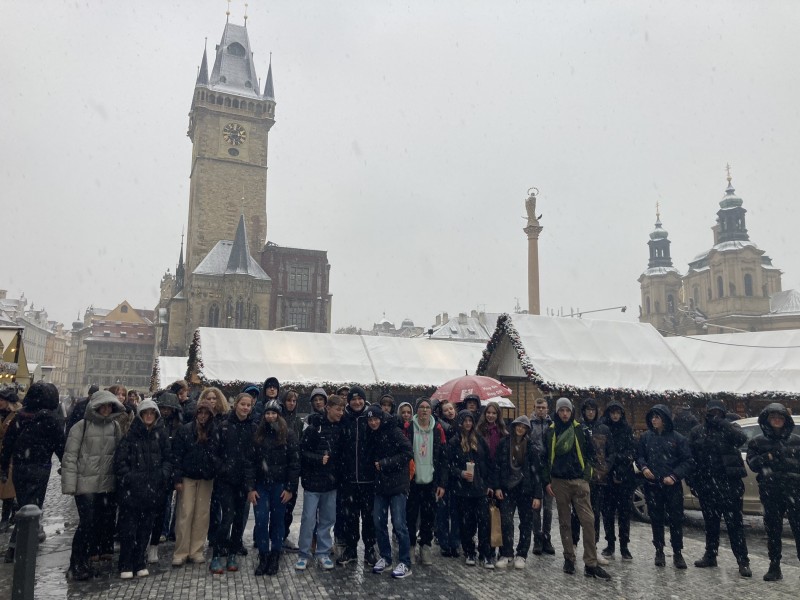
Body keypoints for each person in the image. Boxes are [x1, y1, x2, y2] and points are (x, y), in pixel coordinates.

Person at [542, 397, 610, 580]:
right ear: (557, 412)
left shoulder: (581, 430)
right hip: (559, 481)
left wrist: (586, 475)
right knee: (565, 522)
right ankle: (569, 558)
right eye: (561, 410)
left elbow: (591, 454)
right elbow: (546, 458)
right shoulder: (551, 431)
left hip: (579, 481)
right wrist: (547, 481)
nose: (565, 414)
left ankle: (591, 563)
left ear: (572, 412)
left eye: (567, 410)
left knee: (588, 521)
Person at [61, 389, 124, 580]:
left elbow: (119, 455)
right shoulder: (81, 427)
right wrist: (70, 485)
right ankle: (75, 563)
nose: (105, 409)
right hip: (85, 485)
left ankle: (85, 562)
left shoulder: (115, 426)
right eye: (102, 406)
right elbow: (70, 457)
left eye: (109, 406)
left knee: (97, 525)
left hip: (106, 485)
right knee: (85, 525)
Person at [1, 382, 65, 564]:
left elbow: (8, 444)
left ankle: (24, 542)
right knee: (32, 508)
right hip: (40, 468)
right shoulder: (51, 420)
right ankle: (17, 548)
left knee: (25, 506)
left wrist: (4, 467)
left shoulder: (20, 417)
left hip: (20, 468)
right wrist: (65, 465)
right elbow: (61, 446)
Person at [688, 399, 750, 577]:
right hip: (707, 485)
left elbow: (741, 439)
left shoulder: (731, 428)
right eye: (712, 412)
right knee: (711, 524)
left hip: (729, 484)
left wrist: (723, 424)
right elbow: (691, 458)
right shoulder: (697, 431)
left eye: (718, 412)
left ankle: (743, 560)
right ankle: (710, 555)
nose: (715, 416)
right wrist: (693, 483)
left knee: (735, 525)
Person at [113, 399, 172, 579]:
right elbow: (120, 462)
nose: (149, 416)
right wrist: (130, 478)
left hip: (152, 489)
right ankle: (126, 562)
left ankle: (140, 561)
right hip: (132, 491)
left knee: (145, 528)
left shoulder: (161, 434)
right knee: (129, 528)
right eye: (146, 412)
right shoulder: (130, 435)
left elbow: (168, 459)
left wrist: (162, 475)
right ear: (140, 415)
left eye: (152, 413)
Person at [746, 403, 800, 582]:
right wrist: (767, 457)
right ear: (767, 420)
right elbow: (753, 464)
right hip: (771, 491)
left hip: (795, 491)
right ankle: (774, 565)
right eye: (773, 417)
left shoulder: (796, 440)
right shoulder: (758, 441)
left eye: (780, 417)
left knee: (798, 528)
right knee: (773, 530)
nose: (777, 420)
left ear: (785, 420)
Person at [636, 403, 693, 570]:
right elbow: (639, 456)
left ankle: (677, 552)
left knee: (675, 520)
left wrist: (674, 476)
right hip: (653, 485)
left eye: (657, 417)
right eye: (652, 417)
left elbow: (688, 461)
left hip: (672, 486)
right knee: (656, 519)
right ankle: (659, 550)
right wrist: (644, 468)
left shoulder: (678, 438)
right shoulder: (646, 437)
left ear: (664, 419)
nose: (654, 420)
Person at [248, 400, 300, 576]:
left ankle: (275, 554)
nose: (270, 416)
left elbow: (294, 463)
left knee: (278, 521)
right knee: (261, 521)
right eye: (268, 413)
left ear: (279, 415)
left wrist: (290, 488)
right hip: (261, 485)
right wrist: (250, 487)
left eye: (274, 413)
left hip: (280, 485)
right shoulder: (258, 435)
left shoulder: (288, 435)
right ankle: (263, 555)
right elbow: (250, 462)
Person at [295, 395, 345, 571]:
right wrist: (318, 459)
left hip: (331, 483)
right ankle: (304, 553)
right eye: (338, 409)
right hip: (313, 482)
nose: (341, 413)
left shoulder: (340, 428)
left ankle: (323, 552)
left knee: (327, 519)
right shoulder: (314, 428)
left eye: (342, 409)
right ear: (328, 408)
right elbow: (302, 452)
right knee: (308, 519)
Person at [365, 404, 414, 578]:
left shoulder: (393, 431)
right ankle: (385, 557)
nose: (373, 422)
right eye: (370, 420)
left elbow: (408, 452)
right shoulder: (371, 433)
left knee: (399, 524)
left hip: (397, 484)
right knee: (378, 523)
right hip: (380, 485)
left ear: (381, 418)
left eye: (375, 419)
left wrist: (386, 463)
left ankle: (405, 562)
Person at [210, 392, 257, 574]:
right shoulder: (223, 426)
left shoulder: (253, 428)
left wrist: (250, 481)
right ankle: (216, 553)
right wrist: (223, 469)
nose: (245, 408)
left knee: (238, 519)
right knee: (227, 517)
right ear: (236, 404)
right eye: (242, 404)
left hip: (243, 481)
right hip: (226, 481)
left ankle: (232, 553)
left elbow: (253, 456)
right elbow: (214, 452)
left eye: (248, 405)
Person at [170, 396, 219, 567]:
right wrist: (177, 478)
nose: (203, 416)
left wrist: (213, 469)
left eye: (206, 413)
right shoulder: (185, 430)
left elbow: (217, 454)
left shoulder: (215, 431)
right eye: (201, 412)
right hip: (187, 476)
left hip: (206, 477)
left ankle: (196, 550)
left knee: (202, 515)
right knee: (185, 514)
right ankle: (181, 552)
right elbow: (177, 456)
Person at [402, 396, 447, 566]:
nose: (425, 410)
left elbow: (443, 459)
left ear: (431, 410)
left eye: (427, 407)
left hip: (431, 481)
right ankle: (411, 546)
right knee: (411, 516)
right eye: (421, 407)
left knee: (429, 516)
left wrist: (442, 483)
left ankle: (425, 546)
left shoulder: (438, 430)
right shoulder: (408, 428)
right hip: (412, 481)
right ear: (417, 410)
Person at [494, 415, 542, 570]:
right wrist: (497, 487)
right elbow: (498, 466)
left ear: (527, 430)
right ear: (514, 427)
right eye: (518, 426)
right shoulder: (504, 443)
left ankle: (522, 554)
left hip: (525, 489)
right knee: (506, 521)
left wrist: (537, 495)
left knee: (526, 522)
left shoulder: (532, 447)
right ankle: (506, 553)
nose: (520, 429)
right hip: (507, 488)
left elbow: (536, 473)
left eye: (524, 427)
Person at [337, 385, 378, 565]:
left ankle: (369, 549)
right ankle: (351, 548)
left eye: (360, 398)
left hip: (368, 477)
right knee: (350, 516)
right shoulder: (343, 417)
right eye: (353, 399)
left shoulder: (370, 417)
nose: (357, 402)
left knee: (369, 516)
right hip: (348, 478)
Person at [448, 409, 492, 568]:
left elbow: (488, 463)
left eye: (470, 421)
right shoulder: (454, 441)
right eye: (465, 421)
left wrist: (488, 484)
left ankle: (485, 553)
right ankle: (469, 551)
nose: (468, 424)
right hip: (463, 490)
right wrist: (460, 473)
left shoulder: (479, 439)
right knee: (467, 523)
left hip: (480, 488)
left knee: (484, 521)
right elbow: (449, 465)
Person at [571, 398, 611, 566]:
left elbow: (610, 452)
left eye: (593, 410)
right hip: (581, 477)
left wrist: (605, 467)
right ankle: (573, 545)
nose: (590, 412)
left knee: (594, 515)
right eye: (588, 409)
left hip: (599, 479)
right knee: (576, 513)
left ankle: (593, 548)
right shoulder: (578, 428)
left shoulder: (604, 429)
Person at [599, 399, 635, 560]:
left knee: (624, 513)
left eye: (617, 413)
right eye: (613, 413)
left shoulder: (626, 429)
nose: (615, 416)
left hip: (624, 476)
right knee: (608, 512)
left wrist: (620, 462)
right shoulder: (604, 428)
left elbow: (631, 450)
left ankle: (624, 545)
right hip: (607, 475)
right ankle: (610, 543)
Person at [151, 391, 182, 556]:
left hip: (170, 467)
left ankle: (165, 530)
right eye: (163, 408)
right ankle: (159, 530)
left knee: (168, 501)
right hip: (158, 467)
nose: (165, 411)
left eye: (168, 408)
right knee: (160, 501)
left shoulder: (178, 426)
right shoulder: (156, 423)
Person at [476, 401, 508, 563]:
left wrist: (497, 484)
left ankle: (499, 549)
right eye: (488, 412)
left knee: (498, 517)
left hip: (499, 479)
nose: (490, 415)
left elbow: (502, 460)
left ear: (498, 415)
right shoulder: (478, 432)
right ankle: (484, 549)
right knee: (484, 518)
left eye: (494, 413)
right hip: (483, 478)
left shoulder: (503, 433)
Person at [434, 399, 461, 558]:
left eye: (451, 408)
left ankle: (455, 543)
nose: (449, 412)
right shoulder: (439, 427)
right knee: (442, 511)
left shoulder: (462, 424)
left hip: (458, 475)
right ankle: (444, 543)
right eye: (446, 410)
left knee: (456, 511)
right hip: (444, 474)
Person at [278, 389, 304, 552]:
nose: (291, 403)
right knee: (279, 505)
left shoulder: (298, 422)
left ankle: (283, 536)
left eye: (294, 401)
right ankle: (277, 537)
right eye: (289, 400)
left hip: (293, 468)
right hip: (279, 467)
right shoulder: (278, 419)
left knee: (289, 506)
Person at [529, 397, 555, 555]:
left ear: (547, 409)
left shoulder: (552, 425)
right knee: (535, 508)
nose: (540, 410)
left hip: (549, 470)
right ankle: (537, 538)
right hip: (534, 469)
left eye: (543, 407)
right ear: (534, 408)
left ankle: (547, 537)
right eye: (538, 407)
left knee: (548, 508)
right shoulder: (529, 424)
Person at [0, 389, 21, 532]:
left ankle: (5, 519)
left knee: (7, 488)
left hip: (10, 455)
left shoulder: (17, 415)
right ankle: (14, 507)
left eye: (1, 400)